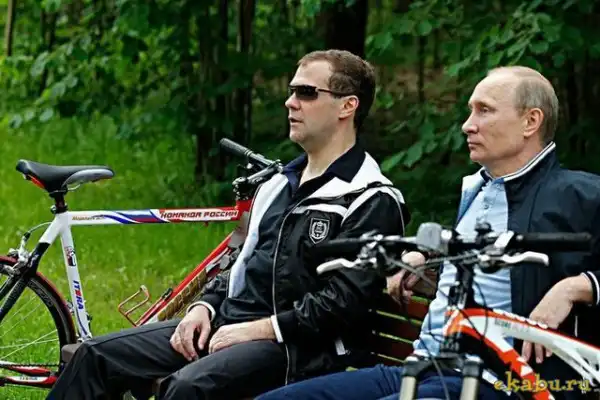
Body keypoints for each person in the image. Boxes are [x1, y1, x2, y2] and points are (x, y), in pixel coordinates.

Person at [46, 49, 410, 400]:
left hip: (298, 349)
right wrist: (204, 307)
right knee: (93, 356)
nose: (290, 102)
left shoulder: (370, 198)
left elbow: (342, 304)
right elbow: (241, 263)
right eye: (291, 91)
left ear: (348, 106)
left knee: (186, 387)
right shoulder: (278, 184)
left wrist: (260, 329)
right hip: (232, 324)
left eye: (306, 92)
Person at [255, 66, 600, 400]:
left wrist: (577, 286)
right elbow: (483, 250)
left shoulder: (578, 194)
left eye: (484, 111)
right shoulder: (482, 190)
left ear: (530, 121)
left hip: (493, 382)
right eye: (470, 111)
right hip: (423, 366)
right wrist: (427, 256)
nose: (467, 125)